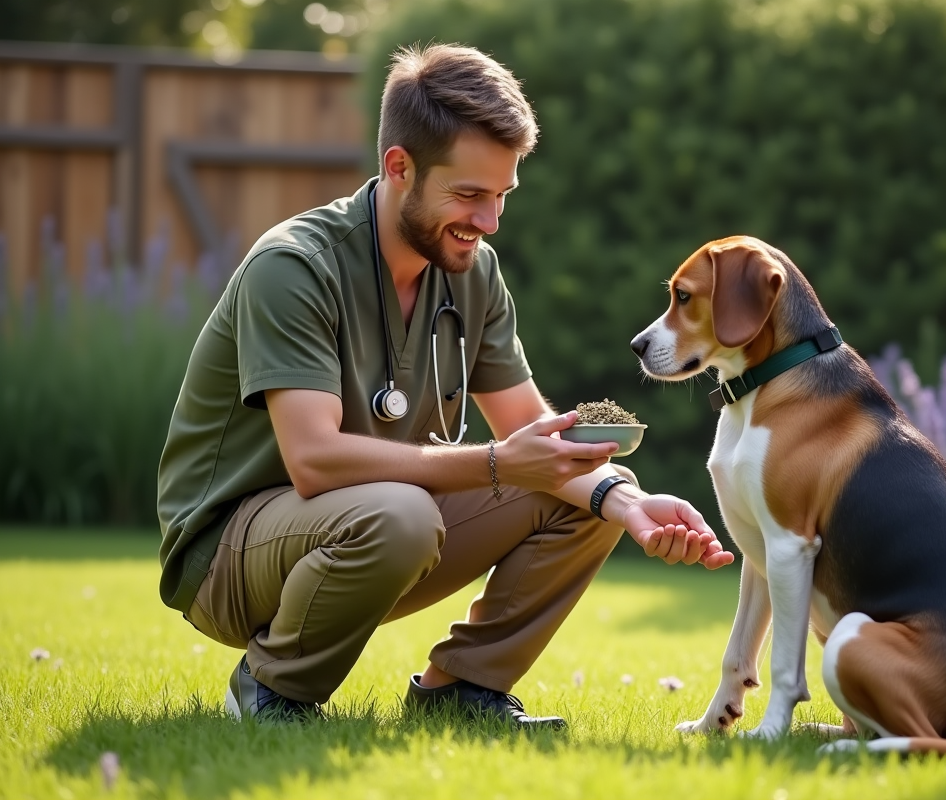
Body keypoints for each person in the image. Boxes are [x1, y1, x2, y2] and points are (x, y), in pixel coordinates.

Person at [156, 43, 734, 729]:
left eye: (501, 197)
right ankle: (269, 693)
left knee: (585, 485)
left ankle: (462, 691)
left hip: (372, 529)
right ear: (399, 167)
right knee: (404, 515)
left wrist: (628, 504)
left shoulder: (473, 271)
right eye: (469, 195)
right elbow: (314, 460)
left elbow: (533, 431)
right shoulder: (293, 267)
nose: (488, 222)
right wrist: (496, 462)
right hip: (228, 555)